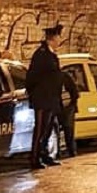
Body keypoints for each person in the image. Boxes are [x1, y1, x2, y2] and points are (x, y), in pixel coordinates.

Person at [25, 23, 64, 170]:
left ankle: (44, 154)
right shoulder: (41, 55)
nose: (60, 40)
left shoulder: (51, 54)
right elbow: (32, 77)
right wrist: (35, 95)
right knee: (40, 129)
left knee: (48, 129)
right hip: (42, 99)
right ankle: (34, 158)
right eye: (58, 37)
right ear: (52, 38)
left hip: (51, 99)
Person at [59, 72, 79, 157]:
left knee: (68, 129)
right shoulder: (49, 77)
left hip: (67, 107)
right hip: (62, 106)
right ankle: (69, 150)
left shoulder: (64, 77)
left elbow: (74, 92)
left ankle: (71, 150)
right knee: (67, 129)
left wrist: (72, 104)